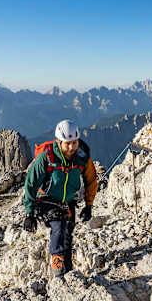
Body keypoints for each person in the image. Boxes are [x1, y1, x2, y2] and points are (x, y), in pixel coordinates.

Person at [22, 119, 98, 277]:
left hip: (68, 201)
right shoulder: (47, 158)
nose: (71, 147)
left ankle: (67, 271)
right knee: (59, 227)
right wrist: (30, 213)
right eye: (67, 143)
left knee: (68, 234)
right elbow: (31, 183)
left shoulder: (82, 157)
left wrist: (89, 205)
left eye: (74, 142)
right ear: (58, 142)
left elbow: (91, 180)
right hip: (47, 200)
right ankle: (57, 272)